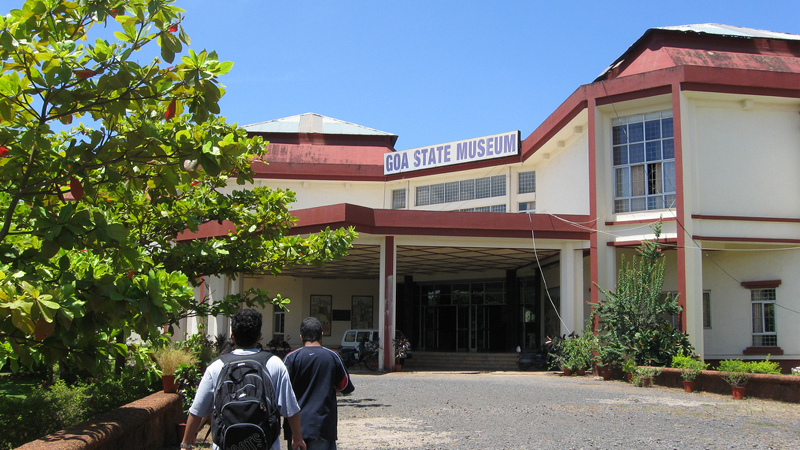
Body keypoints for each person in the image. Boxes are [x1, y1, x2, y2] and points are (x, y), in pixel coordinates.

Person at [180, 309, 307, 450]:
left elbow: (197, 410)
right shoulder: (274, 364)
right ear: (259, 337)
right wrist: (297, 438)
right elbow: (291, 408)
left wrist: (186, 443)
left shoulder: (217, 366)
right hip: (264, 445)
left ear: (232, 337)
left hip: (225, 444)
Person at [282, 317, 355, 450]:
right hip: (323, 426)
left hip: (296, 428)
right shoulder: (333, 356)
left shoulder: (291, 358)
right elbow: (345, 386)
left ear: (301, 337)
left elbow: (282, 391)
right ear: (322, 335)